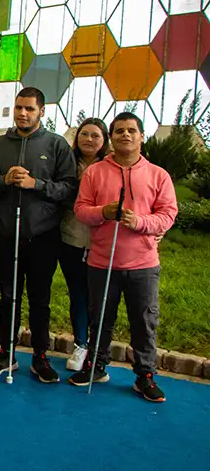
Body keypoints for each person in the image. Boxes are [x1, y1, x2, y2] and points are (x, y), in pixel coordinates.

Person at [69, 112, 177, 403]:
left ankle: (144, 375)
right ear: (112, 138)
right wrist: (103, 212)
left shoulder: (158, 175)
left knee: (144, 322)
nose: (125, 135)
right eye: (119, 131)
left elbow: (168, 215)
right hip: (102, 263)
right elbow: (81, 209)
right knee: (99, 319)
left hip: (143, 265)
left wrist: (140, 222)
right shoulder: (95, 172)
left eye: (131, 130)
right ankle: (97, 365)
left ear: (141, 136)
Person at [0, 87, 77, 383]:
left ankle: (40, 356)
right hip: (7, 235)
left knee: (40, 299)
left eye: (30, 109)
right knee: (8, 297)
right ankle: (6, 354)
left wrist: (37, 184)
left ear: (41, 112)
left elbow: (70, 189)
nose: (23, 113)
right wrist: (3, 180)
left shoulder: (56, 145)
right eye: (19, 108)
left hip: (43, 237)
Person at [59, 118, 109, 372]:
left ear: (104, 140)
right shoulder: (67, 163)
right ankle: (81, 344)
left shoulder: (111, 167)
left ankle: (98, 349)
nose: (89, 140)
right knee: (78, 294)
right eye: (84, 134)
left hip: (104, 244)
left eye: (95, 135)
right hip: (71, 239)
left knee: (99, 298)